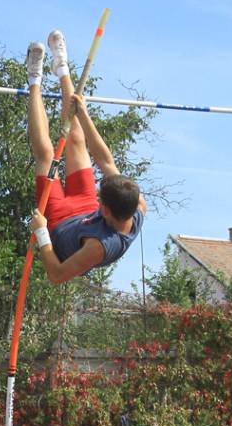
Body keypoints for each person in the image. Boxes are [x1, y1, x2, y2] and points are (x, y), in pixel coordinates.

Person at [26, 30, 146, 287]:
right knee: (77, 139)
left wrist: (41, 231)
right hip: (84, 207)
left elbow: (57, 275)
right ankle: (62, 67)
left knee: (46, 154)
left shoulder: (99, 247)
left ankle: (34, 78)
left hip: (59, 224)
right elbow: (106, 161)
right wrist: (83, 114)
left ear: (104, 209)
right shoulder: (136, 204)